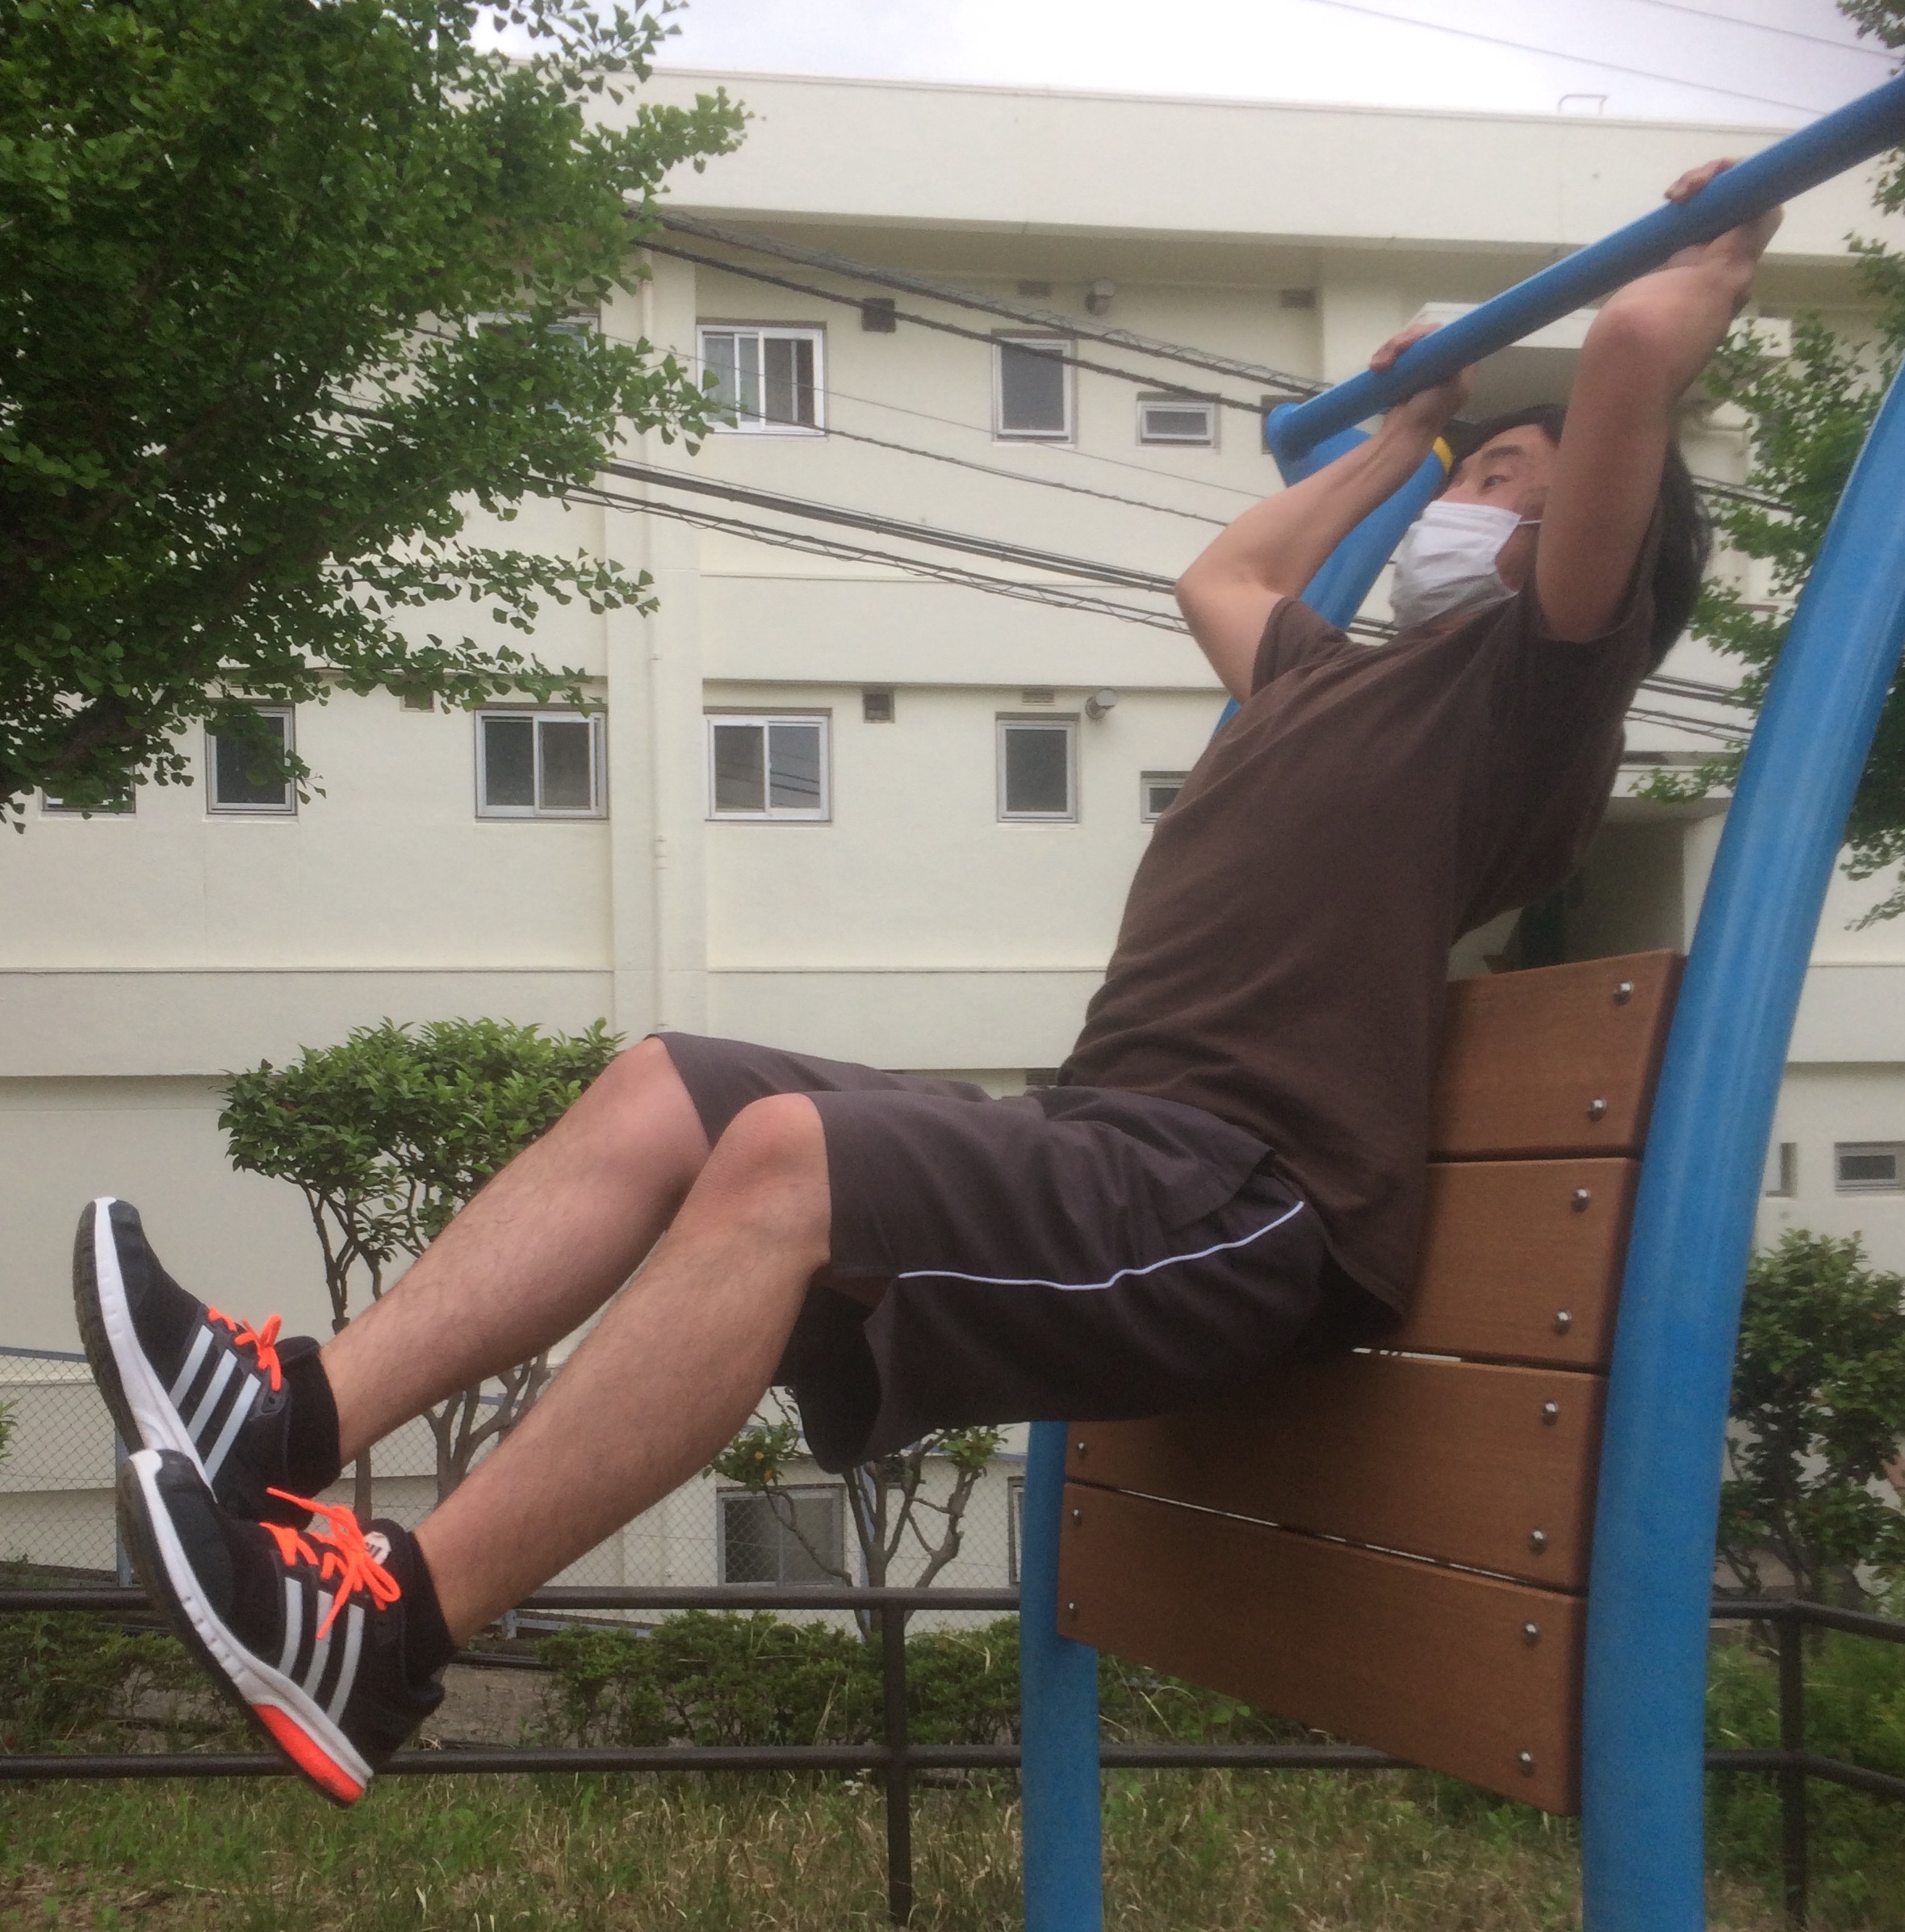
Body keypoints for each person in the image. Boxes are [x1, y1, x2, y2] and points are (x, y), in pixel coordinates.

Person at [77, 159, 1777, 1804]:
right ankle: (292, 1416)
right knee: (673, 1086)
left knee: (785, 1162)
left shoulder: (1538, 699)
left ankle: (387, 1636)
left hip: (1248, 1203)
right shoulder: (1324, 678)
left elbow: (1632, 347)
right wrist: (1403, 442)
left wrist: (1722, 248)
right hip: (1118, 1146)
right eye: (1471, 474)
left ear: (1584, 539)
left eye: (1503, 479)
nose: (1463, 503)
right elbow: (1221, 577)